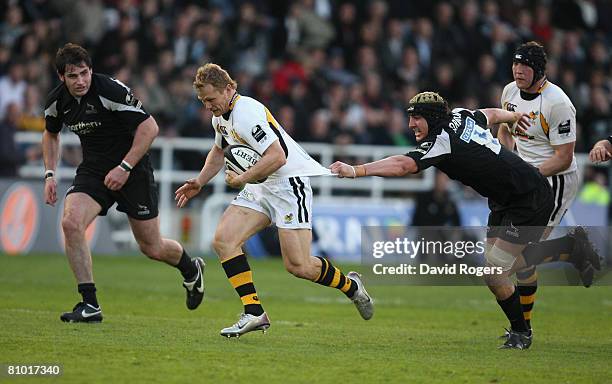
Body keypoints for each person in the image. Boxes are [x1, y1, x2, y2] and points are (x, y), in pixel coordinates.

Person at [330, 91, 599, 349]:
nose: (411, 123)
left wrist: (356, 170)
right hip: (505, 198)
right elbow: (490, 115)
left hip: (528, 197)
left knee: (494, 272)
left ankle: (524, 327)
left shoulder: (441, 139)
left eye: (417, 117)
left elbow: (404, 165)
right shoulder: (460, 115)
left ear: (433, 118)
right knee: (497, 270)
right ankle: (562, 258)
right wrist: (512, 117)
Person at [175, 63, 373, 337]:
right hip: (261, 185)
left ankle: (351, 286)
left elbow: (278, 156)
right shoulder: (220, 116)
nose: (208, 105)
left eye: (211, 99)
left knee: (298, 266)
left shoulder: (247, 113)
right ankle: (254, 312)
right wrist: (199, 181)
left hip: (289, 185)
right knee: (224, 240)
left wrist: (243, 178)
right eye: (203, 101)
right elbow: (219, 152)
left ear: (229, 89)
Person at [42, 43, 204, 323]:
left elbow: (150, 127)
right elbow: (50, 134)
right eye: (73, 76)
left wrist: (125, 166)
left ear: (91, 71)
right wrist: (49, 174)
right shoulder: (57, 102)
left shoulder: (109, 90)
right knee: (71, 223)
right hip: (94, 171)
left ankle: (191, 270)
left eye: (84, 73)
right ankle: (89, 304)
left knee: (151, 247)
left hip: (133, 168)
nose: (80, 81)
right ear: (61, 77)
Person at [497, 41, 586, 336]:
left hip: (555, 181)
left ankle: (568, 247)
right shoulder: (510, 92)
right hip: (525, 177)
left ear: (538, 71)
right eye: (515, 64)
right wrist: (504, 164)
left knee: (511, 260)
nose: (518, 70)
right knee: (518, 258)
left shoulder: (557, 103)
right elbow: (504, 129)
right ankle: (524, 327)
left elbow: (563, 158)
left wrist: (527, 174)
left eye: (525, 66)